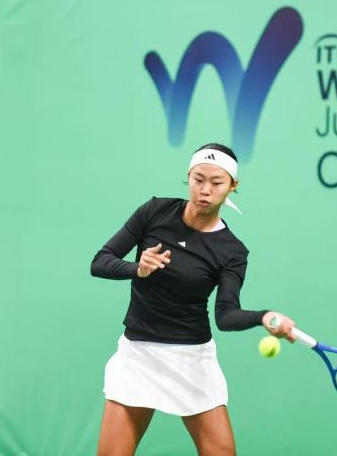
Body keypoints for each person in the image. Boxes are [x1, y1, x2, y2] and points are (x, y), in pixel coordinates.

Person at [90, 143, 295, 456]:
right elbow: (100, 262)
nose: (205, 190)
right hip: (138, 354)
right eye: (198, 179)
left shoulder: (231, 250)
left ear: (233, 185)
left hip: (192, 361)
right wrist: (138, 269)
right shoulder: (154, 212)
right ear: (189, 176)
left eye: (217, 182)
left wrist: (263, 317)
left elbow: (225, 315)